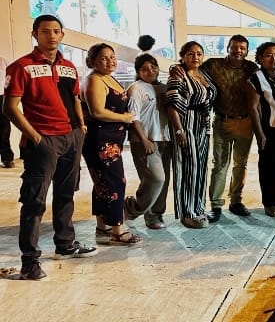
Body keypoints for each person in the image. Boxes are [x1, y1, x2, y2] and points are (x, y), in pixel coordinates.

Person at [3, 14, 97, 280]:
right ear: (35, 34)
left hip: (71, 138)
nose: (51, 36)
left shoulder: (69, 66)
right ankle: (30, 262)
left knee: (66, 194)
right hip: (43, 141)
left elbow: (75, 97)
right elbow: (10, 107)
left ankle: (65, 244)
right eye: (45, 31)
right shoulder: (21, 67)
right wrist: (35, 137)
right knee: (34, 201)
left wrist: (80, 127)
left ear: (62, 35)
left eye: (56, 31)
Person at [80, 43, 141, 245]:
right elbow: (97, 112)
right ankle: (117, 230)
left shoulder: (108, 77)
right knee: (114, 182)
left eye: (112, 57)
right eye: (104, 58)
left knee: (102, 182)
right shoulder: (94, 80)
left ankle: (103, 225)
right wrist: (124, 118)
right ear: (92, 61)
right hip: (100, 140)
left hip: (111, 139)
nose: (110, 61)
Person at [201, 34, 259, 221]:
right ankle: (216, 205)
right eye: (234, 47)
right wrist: (176, 68)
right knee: (220, 164)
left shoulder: (251, 68)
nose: (238, 51)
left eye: (242, 48)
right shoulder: (213, 65)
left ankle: (236, 201)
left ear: (247, 51)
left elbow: (265, 79)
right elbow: (192, 70)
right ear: (227, 48)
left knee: (240, 164)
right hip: (222, 122)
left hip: (245, 122)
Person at [166, 41, 217, 228]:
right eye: (190, 53)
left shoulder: (203, 74)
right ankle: (188, 212)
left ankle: (199, 208)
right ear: (183, 56)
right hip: (186, 124)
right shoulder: (178, 75)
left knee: (201, 168)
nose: (195, 57)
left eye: (199, 53)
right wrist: (179, 130)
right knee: (189, 168)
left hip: (202, 126)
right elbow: (171, 105)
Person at [124, 53, 173, 230]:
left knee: (164, 181)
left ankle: (155, 215)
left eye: (153, 67)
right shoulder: (136, 88)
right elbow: (133, 117)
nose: (150, 71)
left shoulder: (165, 88)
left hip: (165, 139)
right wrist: (144, 139)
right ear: (138, 72)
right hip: (144, 141)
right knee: (156, 179)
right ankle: (132, 208)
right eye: (144, 69)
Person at [248, 42, 275, 218]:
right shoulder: (255, 79)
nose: (273, 58)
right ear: (260, 58)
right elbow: (253, 108)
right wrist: (260, 134)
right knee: (268, 167)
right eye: (268, 55)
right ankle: (269, 203)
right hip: (268, 130)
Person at [0, 56, 16, 168]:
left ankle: (7, 159)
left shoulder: (3, 60)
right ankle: (7, 159)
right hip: (2, 96)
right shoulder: (3, 60)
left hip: (2, 96)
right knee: (4, 128)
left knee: (4, 128)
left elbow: (11, 77)